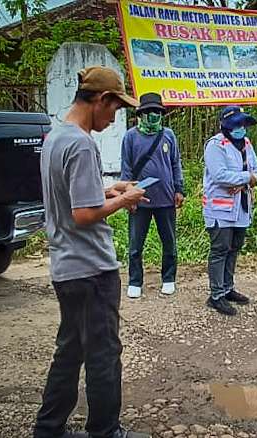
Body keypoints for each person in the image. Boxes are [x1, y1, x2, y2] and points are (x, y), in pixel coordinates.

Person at [36, 66, 149, 438]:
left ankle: (49, 428)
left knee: (70, 352)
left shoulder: (56, 137)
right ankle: (106, 431)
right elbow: (83, 214)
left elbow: (72, 198)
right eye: (115, 109)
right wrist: (127, 198)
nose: (114, 117)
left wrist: (110, 189)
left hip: (67, 268)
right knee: (103, 355)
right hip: (90, 270)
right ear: (101, 100)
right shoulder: (82, 143)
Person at [120, 92, 185, 299]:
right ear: (141, 113)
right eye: (149, 111)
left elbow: (176, 163)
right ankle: (135, 281)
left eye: (157, 111)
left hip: (166, 198)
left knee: (169, 242)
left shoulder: (168, 135)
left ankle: (168, 279)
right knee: (135, 244)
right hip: (139, 199)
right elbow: (126, 168)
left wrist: (179, 189)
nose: (153, 115)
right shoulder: (130, 136)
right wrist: (127, 195)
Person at [203, 106, 257, 316]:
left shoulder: (246, 144)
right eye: (236, 125)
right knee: (220, 249)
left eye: (242, 124)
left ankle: (227, 288)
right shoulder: (215, 145)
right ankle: (216, 295)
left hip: (241, 207)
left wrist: (246, 179)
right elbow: (220, 175)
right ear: (225, 126)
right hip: (220, 208)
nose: (241, 128)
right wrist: (246, 178)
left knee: (234, 248)